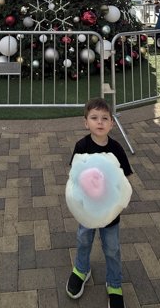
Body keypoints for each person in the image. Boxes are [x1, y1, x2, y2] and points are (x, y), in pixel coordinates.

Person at [66, 98, 133, 308]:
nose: (100, 122)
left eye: (105, 118)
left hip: (110, 213)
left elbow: (124, 180)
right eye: (94, 118)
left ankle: (114, 283)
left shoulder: (117, 149)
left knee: (112, 248)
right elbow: (74, 178)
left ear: (112, 123)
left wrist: (119, 201)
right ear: (86, 122)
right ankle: (81, 270)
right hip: (86, 210)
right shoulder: (82, 146)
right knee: (83, 239)